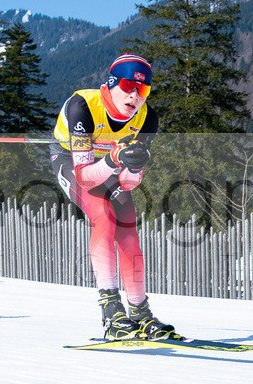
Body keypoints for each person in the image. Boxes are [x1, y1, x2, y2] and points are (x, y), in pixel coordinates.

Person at [50, 53, 180, 341]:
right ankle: (110, 309)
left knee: (127, 224)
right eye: (128, 85)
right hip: (71, 160)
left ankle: (140, 312)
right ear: (110, 83)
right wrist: (113, 158)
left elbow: (129, 183)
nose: (135, 95)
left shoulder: (147, 118)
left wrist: (134, 165)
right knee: (102, 214)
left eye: (143, 89)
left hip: (109, 161)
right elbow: (84, 177)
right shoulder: (82, 106)